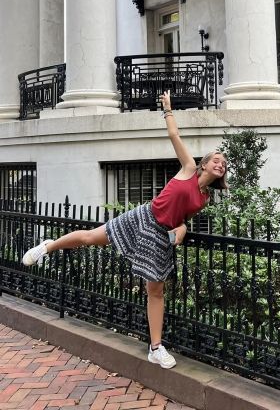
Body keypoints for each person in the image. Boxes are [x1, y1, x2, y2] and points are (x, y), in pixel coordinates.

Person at [22, 90, 228, 369]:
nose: (221, 164)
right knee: (90, 238)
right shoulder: (189, 169)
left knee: (155, 291)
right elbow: (174, 137)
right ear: (204, 163)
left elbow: (181, 217)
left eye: (224, 164)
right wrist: (167, 108)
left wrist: (182, 229)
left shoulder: (205, 198)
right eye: (216, 159)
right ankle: (47, 246)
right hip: (142, 218)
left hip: (159, 236)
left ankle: (155, 348)